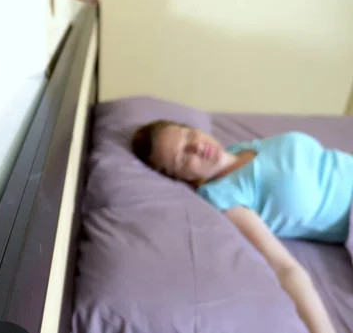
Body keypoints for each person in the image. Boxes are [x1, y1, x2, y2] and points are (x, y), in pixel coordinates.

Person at [131, 119, 352, 333]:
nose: (197, 146)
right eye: (182, 156)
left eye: (189, 134)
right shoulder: (223, 196)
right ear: (181, 177)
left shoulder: (240, 148)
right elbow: (285, 268)